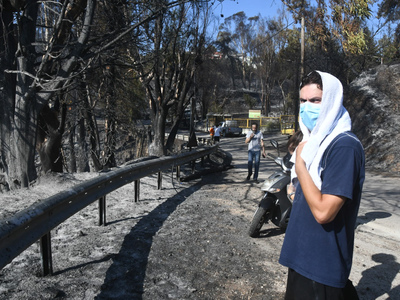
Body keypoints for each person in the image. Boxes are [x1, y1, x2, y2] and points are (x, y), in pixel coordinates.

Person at [279, 71, 365, 299]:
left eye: (315, 100)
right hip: (301, 256)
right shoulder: (314, 142)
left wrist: (300, 167)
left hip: (321, 265)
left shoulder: (344, 146)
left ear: (331, 102)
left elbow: (324, 212)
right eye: (303, 101)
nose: (307, 107)